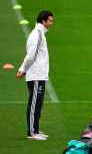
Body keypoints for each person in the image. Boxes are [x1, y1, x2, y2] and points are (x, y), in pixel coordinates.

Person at [16, 10, 54, 140]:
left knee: (38, 104)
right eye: (50, 20)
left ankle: (36, 130)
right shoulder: (37, 34)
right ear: (43, 21)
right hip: (36, 75)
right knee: (34, 103)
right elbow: (31, 55)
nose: (52, 23)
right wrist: (23, 68)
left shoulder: (40, 34)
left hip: (39, 75)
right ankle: (32, 133)